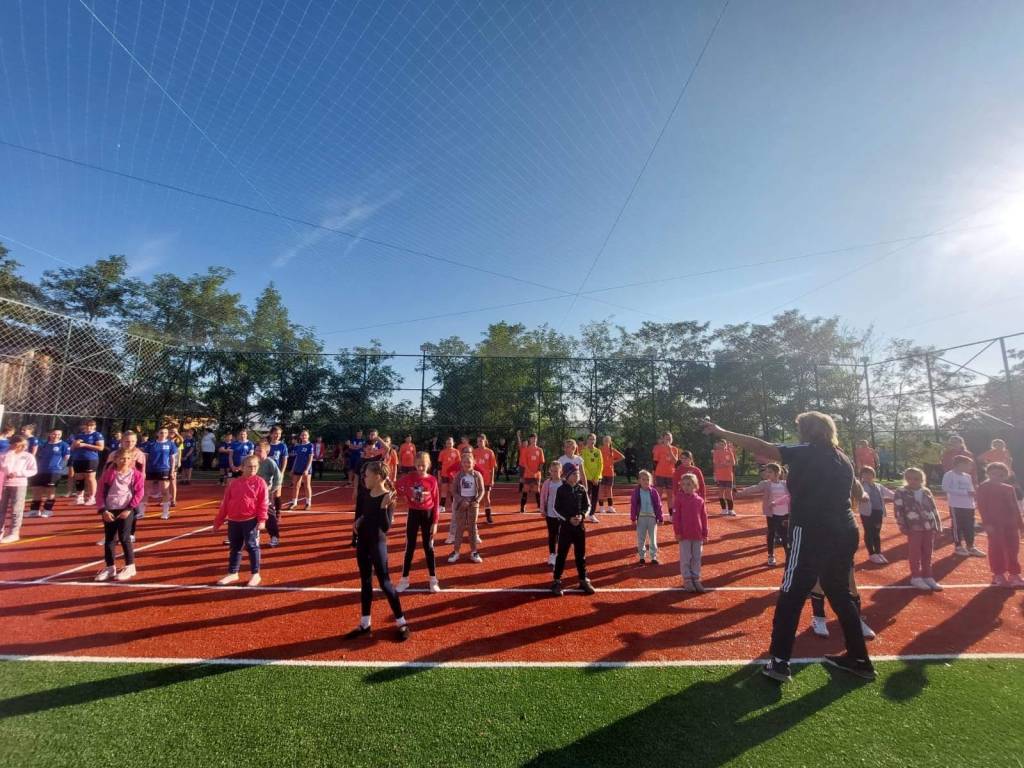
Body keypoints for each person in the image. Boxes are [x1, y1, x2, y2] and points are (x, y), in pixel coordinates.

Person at [702, 412, 874, 683]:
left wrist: (722, 432)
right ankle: (860, 659)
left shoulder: (805, 452)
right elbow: (857, 490)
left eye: (799, 428)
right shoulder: (842, 458)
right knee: (841, 594)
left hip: (811, 530)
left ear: (808, 430)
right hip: (845, 530)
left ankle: (780, 663)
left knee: (791, 595)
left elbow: (761, 447)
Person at [346, 461, 409, 641]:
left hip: (377, 544)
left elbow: (385, 527)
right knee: (365, 582)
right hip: (363, 543)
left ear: (378, 477)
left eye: (367, 475)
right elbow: (365, 513)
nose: (364, 478)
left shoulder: (388, 497)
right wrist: (359, 521)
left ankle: (401, 622)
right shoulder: (366, 493)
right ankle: (365, 623)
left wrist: (383, 507)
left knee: (385, 583)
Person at [810, 479, 876, 640]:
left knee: (850, 581)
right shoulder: (818, 480)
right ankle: (818, 617)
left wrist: (862, 494)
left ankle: (856, 619)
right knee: (820, 580)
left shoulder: (846, 476)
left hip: (844, 534)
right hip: (821, 534)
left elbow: (861, 492)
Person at [214, 454, 267, 587]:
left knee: (252, 546)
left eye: (255, 466)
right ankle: (233, 572)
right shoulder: (234, 483)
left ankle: (255, 574)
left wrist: (262, 520)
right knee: (235, 547)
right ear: (242, 467)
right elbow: (225, 503)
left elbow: (263, 503)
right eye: (249, 466)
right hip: (233, 521)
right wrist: (218, 522)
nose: (253, 469)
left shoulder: (260, 482)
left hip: (250, 520)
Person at [94, 450, 144, 581]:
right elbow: (99, 493)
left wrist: (129, 509)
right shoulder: (108, 474)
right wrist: (103, 510)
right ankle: (110, 567)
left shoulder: (136, 475)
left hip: (126, 510)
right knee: (109, 539)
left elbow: (139, 493)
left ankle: (130, 566)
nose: (125, 461)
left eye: (128, 458)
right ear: (115, 460)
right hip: (110, 510)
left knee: (124, 538)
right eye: (122, 458)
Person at [395, 452, 441, 593]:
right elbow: (396, 487)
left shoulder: (432, 480)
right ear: (414, 464)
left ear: (428, 465)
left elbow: (436, 501)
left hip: (428, 515)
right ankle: (404, 579)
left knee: (428, 547)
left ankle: (433, 580)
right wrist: (404, 495)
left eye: (423, 465)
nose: (421, 468)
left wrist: (435, 522)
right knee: (410, 547)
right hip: (413, 514)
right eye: (418, 465)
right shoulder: (409, 477)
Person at [894, 467, 943, 591]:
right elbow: (898, 510)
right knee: (915, 552)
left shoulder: (926, 491)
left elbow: (933, 509)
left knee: (928, 551)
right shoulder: (901, 492)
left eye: (916, 479)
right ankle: (916, 576)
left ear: (922, 479)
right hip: (913, 527)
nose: (912, 481)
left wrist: (938, 526)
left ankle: (928, 576)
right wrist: (902, 525)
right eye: (909, 478)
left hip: (928, 526)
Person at [551, 462, 596, 597]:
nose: (577, 476)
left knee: (580, 555)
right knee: (562, 555)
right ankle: (557, 580)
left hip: (579, 528)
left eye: (577, 473)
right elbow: (556, 508)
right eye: (574, 474)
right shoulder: (561, 490)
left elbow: (587, 506)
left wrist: (582, 516)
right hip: (566, 528)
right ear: (566, 475)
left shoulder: (581, 489)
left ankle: (583, 579)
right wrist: (568, 519)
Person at [976, 462, 1024, 587]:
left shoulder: (1009, 488)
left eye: (1001, 475)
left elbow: (1015, 508)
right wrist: (987, 524)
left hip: (1011, 525)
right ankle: (998, 575)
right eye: (994, 474)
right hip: (995, 525)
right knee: (997, 549)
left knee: (1013, 550)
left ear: (1006, 476)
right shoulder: (983, 487)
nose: (997, 477)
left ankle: (1014, 574)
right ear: (988, 473)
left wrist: (1021, 526)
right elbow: (982, 507)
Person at [737, 463, 790, 567]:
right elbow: (754, 488)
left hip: (785, 514)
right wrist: (741, 492)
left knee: (785, 536)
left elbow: (792, 493)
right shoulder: (766, 484)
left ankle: (788, 557)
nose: (767, 473)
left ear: (777, 473)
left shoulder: (785, 484)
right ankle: (771, 556)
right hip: (772, 514)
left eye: (770, 472)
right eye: (766, 471)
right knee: (771, 533)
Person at [942, 455, 985, 557]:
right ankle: (958, 547)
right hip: (956, 505)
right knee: (957, 526)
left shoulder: (967, 476)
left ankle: (970, 547)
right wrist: (965, 493)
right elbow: (945, 488)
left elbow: (971, 490)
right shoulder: (949, 474)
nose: (971, 468)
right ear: (960, 464)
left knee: (969, 526)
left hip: (969, 505)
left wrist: (974, 498)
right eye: (969, 465)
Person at [673, 473, 709, 592]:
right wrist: (677, 532)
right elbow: (676, 517)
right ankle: (687, 580)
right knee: (686, 558)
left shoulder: (700, 500)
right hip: (684, 535)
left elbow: (704, 518)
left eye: (688, 484)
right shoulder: (679, 499)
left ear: (695, 486)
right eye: (683, 484)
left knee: (696, 558)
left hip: (697, 535)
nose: (686, 487)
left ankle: (696, 579)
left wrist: (705, 533)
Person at [0, 436, 38, 543]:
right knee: (1, 509)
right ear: (12, 444)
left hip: (19, 484)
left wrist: (18, 473)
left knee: (16, 509)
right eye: (19, 445)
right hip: (3, 484)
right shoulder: (4, 454)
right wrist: (9, 454)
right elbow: (3, 467)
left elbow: (33, 470)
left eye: (24, 445)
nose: (22, 447)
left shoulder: (28, 456)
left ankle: (14, 533)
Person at [449, 452, 484, 564]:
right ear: (461, 464)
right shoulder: (458, 476)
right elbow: (454, 491)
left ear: (473, 463)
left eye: (469, 462)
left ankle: (474, 552)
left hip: (473, 505)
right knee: (460, 527)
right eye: (464, 462)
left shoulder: (477, 475)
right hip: (461, 505)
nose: (467, 464)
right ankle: (456, 551)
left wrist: (476, 501)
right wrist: (461, 500)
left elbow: (481, 490)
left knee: (472, 528)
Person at [28, 429, 70, 518]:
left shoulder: (64, 445)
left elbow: (66, 458)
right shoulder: (44, 444)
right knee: (37, 490)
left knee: (50, 491)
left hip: (53, 471)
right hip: (40, 470)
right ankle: (34, 510)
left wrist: (59, 467)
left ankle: (48, 510)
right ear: (50, 434)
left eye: (58, 434)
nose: (56, 436)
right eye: (54, 434)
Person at [858, 466, 894, 563]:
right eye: (865, 473)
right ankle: (872, 554)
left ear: (873, 475)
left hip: (878, 513)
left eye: (869, 473)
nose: (867, 475)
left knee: (876, 533)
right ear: (861, 475)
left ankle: (878, 552)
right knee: (869, 532)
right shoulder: (860, 486)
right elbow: (860, 495)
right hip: (867, 514)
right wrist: (862, 497)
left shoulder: (879, 486)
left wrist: (902, 496)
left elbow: (891, 494)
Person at [630, 470, 663, 565]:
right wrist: (633, 518)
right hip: (641, 518)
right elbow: (633, 505)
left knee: (653, 538)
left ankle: (653, 556)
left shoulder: (654, 492)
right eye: (643, 479)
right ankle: (642, 556)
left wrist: (660, 518)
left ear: (651, 481)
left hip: (652, 518)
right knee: (641, 538)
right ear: (639, 481)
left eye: (648, 479)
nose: (646, 481)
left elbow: (658, 505)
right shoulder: (636, 492)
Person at [145, 427, 178, 520]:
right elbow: (146, 458)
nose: (163, 434)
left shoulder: (171, 444)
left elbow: (172, 459)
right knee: (146, 491)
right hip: (151, 469)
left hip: (164, 469)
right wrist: (144, 469)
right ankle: (141, 512)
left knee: (165, 491)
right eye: (161, 432)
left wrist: (172, 471)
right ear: (157, 433)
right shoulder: (151, 444)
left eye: (165, 432)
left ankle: (165, 512)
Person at [255, 441, 284, 548]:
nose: (257, 452)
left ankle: (274, 537)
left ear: (267, 452)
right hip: (252, 493)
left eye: (260, 451)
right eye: (256, 450)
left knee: (269, 516)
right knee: (251, 515)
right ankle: (253, 537)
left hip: (265, 493)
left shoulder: (270, 462)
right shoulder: (253, 461)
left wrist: (273, 488)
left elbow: (278, 477)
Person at [70, 419, 105, 505]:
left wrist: (85, 445)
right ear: (83, 426)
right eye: (87, 425)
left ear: (94, 426)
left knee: (90, 478)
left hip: (90, 459)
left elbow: (101, 448)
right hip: (78, 459)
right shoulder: (79, 435)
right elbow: (72, 448)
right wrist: (75, 443)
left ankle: (92, 497)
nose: (89, 427)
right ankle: (79, 497)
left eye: (91, 426)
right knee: (78, 477)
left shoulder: (97, 435)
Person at [539, 460, 565, 568]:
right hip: (550, 513)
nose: (554, 473)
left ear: (561, 472)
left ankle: (559, 554)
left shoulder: (564, 483)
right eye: (552, 471)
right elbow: (542, 496)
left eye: (556, 471)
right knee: (552, 534)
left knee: (560, 535)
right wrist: (542, 509)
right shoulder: (547, 483)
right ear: (550, 471)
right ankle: (552, 555)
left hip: (562, 515)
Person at [473, 434, 497, 524]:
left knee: (486, 497)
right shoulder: (473, 452)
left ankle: (488, 516)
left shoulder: (490, 452)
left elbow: (492, 467)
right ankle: (473, 517)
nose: (479, 443)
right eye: (478, 441)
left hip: (486, 478)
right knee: (474, 497)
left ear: (485, 441)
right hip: (475, 478)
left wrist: (492, 479)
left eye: (481, 441)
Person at [518, 434, 545, 514]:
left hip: (536, 475)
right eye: (532, 438)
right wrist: (529, 471)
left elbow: (542, 462)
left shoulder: (540, 450)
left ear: (537, 439)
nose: (533, 440)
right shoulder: (526, 450)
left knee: (537, 490)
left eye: (535, 438)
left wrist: (538, 470)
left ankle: (540, 507)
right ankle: (522, 507)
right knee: (525, 490)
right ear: (529, 440)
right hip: (528, 474)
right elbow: (524, 463)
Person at [579, 433, 603, 524]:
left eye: (593, 439)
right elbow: (583, 466)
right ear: (587, 440)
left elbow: (600, 465)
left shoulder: (598, 451)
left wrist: (596, 477)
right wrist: (590, 477)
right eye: (590, 439)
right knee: (585, 496)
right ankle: (583, 513)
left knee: (595, 497)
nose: (592, 441)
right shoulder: (583, 451)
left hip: (596, 479)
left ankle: (592, 514)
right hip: (587, 478)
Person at [651, 432, 679, 509]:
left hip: (670, 475)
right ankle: (657, 513)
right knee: (658, 495)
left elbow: (675, 461)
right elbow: (655, 463)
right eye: (667, 438)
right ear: (663, 439)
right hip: (659, 474)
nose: (668, 440)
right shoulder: (658, 448)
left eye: (670, 438)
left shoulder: (674, 449)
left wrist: (670, 450)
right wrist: (653, 475)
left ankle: (671, 514)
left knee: (670, 496)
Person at [598, 435, 624, 514]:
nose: (606, 441)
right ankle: (601, 507)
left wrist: (613, 461)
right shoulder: (599, 450)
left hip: (610, 473)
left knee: (609, 490)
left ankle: (610, 507)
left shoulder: (612, 450)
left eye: (607, 440)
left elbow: (622, 457)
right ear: (602, 441)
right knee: (601, 490)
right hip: (601, 473)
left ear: (610, 441)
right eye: (604, 440)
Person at [289, 430, 315, 510]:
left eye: (305, 435)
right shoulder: (298, 446)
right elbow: (296, 458)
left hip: (306, 469)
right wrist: (293, 469)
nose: (304, 436)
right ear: (300, 437)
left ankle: (308, 503)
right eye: (302, 435)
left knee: (307, 485)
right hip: (297, 468)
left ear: (308, 436)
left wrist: (307, 469)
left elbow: (310, 458)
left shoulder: (310, 445)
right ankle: (294, 503)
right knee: (296, 486)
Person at [712, 439, 737, 516]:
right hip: (720, 476)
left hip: (729, 476)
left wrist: (723, 464)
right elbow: (717, 464)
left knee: (729, 493)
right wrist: (726, 464)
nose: (722, 446)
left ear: (726, 445)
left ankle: (731, 510)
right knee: (720, 493)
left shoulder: (729, 452)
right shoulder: (716, 452)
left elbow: (733, 463)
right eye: (720, 444)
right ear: (718, 445)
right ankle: (724, 509)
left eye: (723, 444)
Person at [437, 437, 459, 516]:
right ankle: (442, 506)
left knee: (452, 490)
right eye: (447, 443)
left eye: (450, 443)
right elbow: (439, 465)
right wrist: (439, 475)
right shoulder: (442, 452)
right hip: (444, 474)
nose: (449, 444)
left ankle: (454, 506)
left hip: (453, 475)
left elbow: (458, 465)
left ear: (453, 443)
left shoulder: (456, 452)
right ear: (445, 444)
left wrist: (457, 474)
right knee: (444, 490)